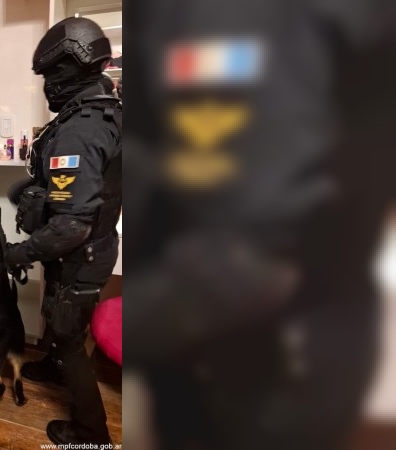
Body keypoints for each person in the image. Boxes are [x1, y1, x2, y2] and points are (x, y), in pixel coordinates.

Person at [124, 0, 396, 448]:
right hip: (229, 332)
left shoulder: (230, 17)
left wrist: (118, 323)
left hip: (260, 360)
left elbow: (248, 258)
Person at [4, 17, 122, 446]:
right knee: (57, 316)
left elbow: (71, 224)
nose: (47, 86)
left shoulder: (81, 129)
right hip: (88, 249)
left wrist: (18, 253)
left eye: (50, 75)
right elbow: (82, 186)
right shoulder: (103, 109)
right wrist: (31, 190)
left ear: (70, 69)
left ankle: (92, 435)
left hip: (79, 253)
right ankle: (54, 368)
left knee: (70, 339)